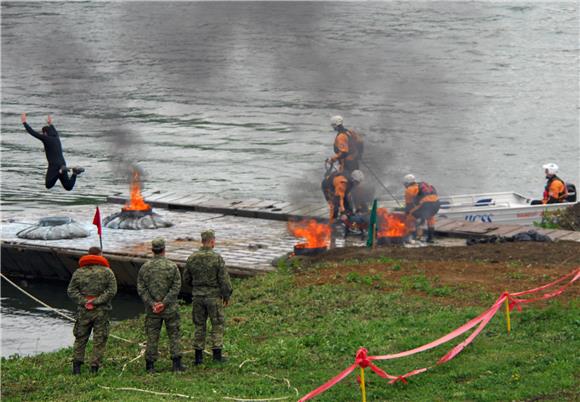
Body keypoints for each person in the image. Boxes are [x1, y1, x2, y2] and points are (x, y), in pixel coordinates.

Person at [183, 230, 233, 365]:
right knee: (217, 324)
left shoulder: (192, 257)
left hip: (198, 297)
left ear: (202, 241)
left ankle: (198, 357)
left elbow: (186, 278)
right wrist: (226, 295)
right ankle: (217, 355)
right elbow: (224, 280)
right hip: (213, 297)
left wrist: (196, 288)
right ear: (212, 241)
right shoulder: (217, 258)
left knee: (199, 325)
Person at [137, 238, 185, 373]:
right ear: (164, 249)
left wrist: (153, 303)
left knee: (152, 336)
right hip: (170, 309)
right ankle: (176, 365)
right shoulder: (171, 266)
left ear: (152, 250)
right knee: (174, 335)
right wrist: (164, 303)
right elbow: (176, 286)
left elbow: (141, 288)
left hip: (152, 310)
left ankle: (150, 366)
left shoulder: (145, 267)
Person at [67, 246, 117, 375]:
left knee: (80, 338)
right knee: (99, 340)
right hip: (101, 311)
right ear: (100, 255)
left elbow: (71, 291)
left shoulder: (79, 272)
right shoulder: (107, 272)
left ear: (88, 255)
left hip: (84, 311)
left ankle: (76, 368)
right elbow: (112, 291)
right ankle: (94, 368)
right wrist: (96, 301)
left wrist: (85, 301)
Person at [21, 112, 84, 191]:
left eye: (43, 133)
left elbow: (33, 133)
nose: (42, 134)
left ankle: (60, 171)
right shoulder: (56, 137)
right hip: (62, 163)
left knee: (48, 184)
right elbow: (53, 129)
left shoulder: (46, 138)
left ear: (45, 133)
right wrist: (50, 123)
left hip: (55, 166)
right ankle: (74, 173)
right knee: (68, 187)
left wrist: (24, 122)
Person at [403, 174, 440, 243]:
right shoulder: (423, 185)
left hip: (426, 204)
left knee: (410, 217)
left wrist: (406, 213)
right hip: (437, 204)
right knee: (430, 217)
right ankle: (430, 238)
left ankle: (412, 237)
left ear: (407, 183)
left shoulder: (409, 189)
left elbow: (409, 206)